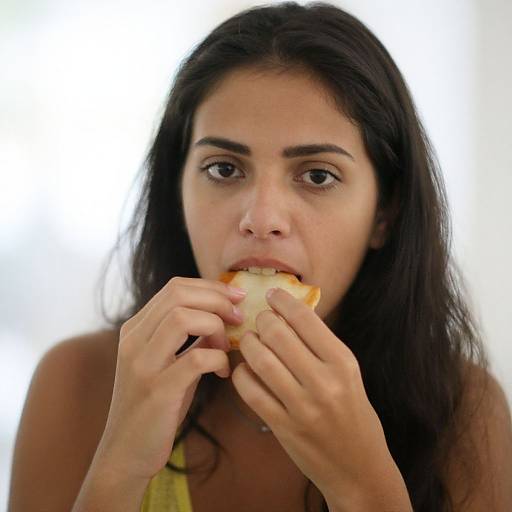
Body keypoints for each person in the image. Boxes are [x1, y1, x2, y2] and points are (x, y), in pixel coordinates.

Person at [8, 2, 512, 511]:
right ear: (177, 192)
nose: (261, 216)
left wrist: (363, 487)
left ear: (384, 213)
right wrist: (120, 467)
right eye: (224, 169)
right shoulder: (76, 383)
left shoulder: (464, 413)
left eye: (317, 175)